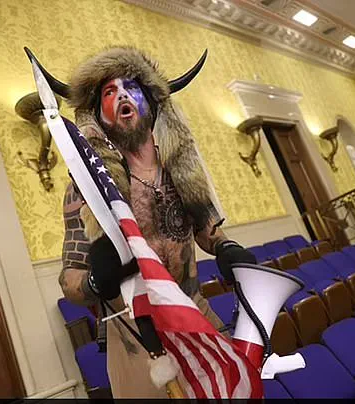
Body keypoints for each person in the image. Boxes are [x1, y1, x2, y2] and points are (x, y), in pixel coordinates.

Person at [44, 47, 257, 398]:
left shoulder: (181, 170)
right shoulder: (87, 188)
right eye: (109, 92)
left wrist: (226, 247)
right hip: (136, 339)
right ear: (98, 115)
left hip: (195, 314)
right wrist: (96, 282)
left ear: (152, 103)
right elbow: (70, 280)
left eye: (131, 87)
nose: (122, 95)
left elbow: (207, 230)